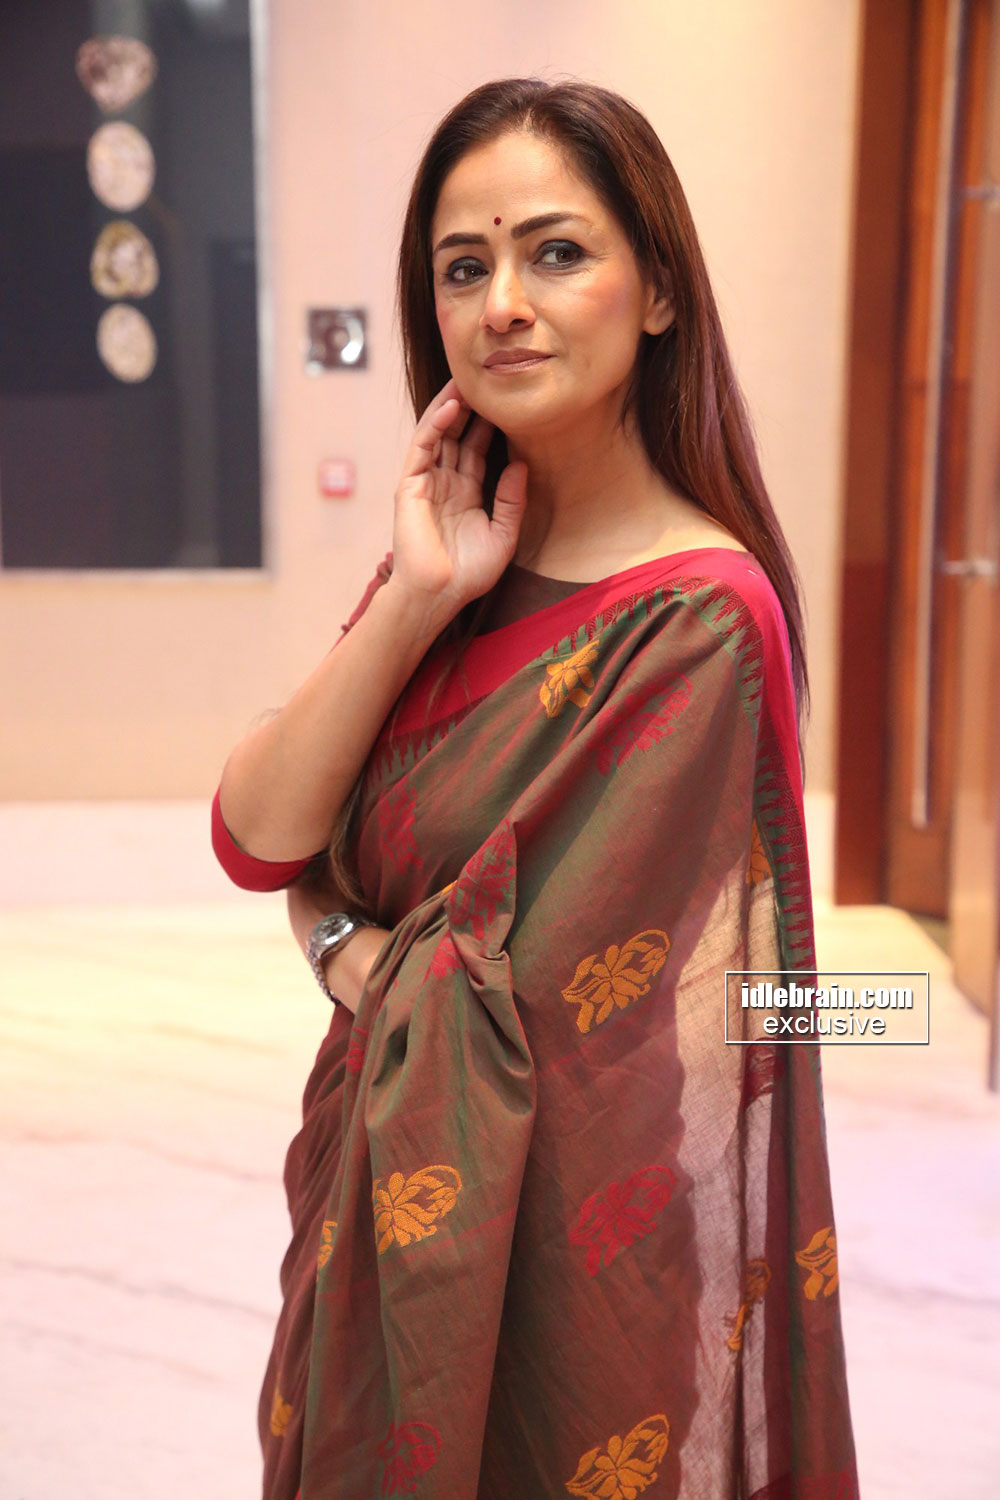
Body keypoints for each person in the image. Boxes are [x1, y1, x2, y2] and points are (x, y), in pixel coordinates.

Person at [212, 77, 859, 1500]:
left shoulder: (699, 619)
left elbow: (556, 1005)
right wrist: (413, 597)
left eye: (556, 252)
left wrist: (340, 930)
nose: (502, 303)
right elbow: (259, 837)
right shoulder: (452, 558)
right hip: (387, 1210)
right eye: (463, 267)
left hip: (575, 1258)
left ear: (659, 292)